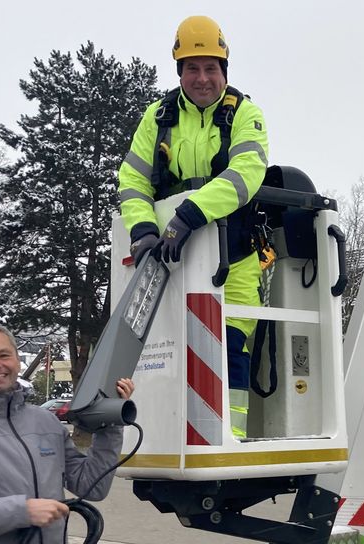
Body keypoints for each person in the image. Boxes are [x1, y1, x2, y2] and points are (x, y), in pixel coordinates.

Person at [117, 15, 269, 438]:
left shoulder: (245, 113)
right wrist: (143, 229)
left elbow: (247, 172)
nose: (202, 78)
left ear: (224, 70)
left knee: (232, 348)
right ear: (179, 71)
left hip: (235, 256)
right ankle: (176, 435)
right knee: (175, 351)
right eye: (192, 68)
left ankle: (230, 441)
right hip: (173, 257)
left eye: (210, 68)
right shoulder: (158, 117)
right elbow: (131, 179)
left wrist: (189, 214)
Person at [0, 323, 135, 544]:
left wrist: (111, 421)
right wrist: (22, 511)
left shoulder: (45, 421)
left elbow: (92, 486)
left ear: (18, 362)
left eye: (3, 355)